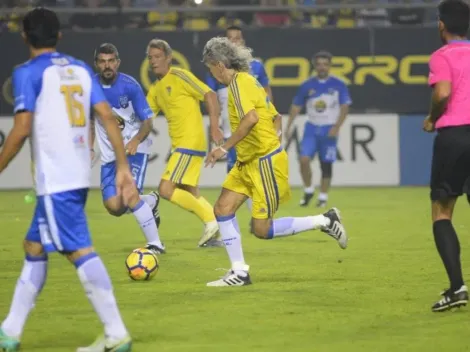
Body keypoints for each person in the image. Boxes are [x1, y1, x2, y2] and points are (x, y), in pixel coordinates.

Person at [0, 8, 132, 351]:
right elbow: (106, 116)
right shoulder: (79, 69)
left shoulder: (27, 73)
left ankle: (116, 333)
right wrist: (123, 167)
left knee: (78, 250)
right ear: (58, 36)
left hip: (55, 179)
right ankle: (10, 331)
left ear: (25, 37)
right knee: (33, 247)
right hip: (74, 173)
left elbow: (22, 128)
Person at [202, 37, 348, 287]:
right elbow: (275, 115)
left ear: (219, 64)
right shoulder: (247, 82)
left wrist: (224, 148)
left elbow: (251, 118)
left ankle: (325, 220)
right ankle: (239, 272)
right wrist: (272, 138)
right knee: (222, 209)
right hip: (248, 162)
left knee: (262, 229)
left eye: (210, 68)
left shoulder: (239, 84)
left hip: (263, 164)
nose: (212, 74)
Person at [145, 38, 223, 248]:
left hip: (189, 142)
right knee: (189, 192)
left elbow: (210, 94)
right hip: (180, 145)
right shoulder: (155, 89)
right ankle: (216, 232)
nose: (153, 61)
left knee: (165, 189)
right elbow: (145, 120)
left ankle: (211, 221)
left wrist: (214, 127)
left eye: (158, 57)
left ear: (169, 58)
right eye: (150, 57)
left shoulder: (179, 75)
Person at [92, 42, 165, 255]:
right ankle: (150, 201)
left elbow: (148, 122)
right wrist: (88, 147)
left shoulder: (130, 85)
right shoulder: (90, 88)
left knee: (129, 195)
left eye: (111, 61)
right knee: (115, 207)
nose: (107, 66)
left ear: (118, 62)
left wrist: (134, 141)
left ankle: (156, 244)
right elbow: (89, 119)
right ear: (97, 64)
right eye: (103, 61)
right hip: (109, 158)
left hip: (135, 150)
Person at [423, 0, 470, 312]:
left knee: (442, 212)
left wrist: (431, 118)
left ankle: (457, 288)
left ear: (442, 24)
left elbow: (442, 92)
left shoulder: (443, 55)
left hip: (454, 136)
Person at [205, 25, 272, 212]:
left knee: (249, 173)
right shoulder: (218, 71)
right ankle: (252, 215)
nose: (234, 41)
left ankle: (254, 215)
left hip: (254, 130)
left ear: (243, 41)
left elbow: (266, 95)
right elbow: (212, 97)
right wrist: (215, 126)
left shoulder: (255, 67)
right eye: (230, 38)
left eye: (237, 38)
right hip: (231, 130)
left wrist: (271, 121)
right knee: (236, 174)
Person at [285, 51, 351, 208]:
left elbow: (344, 107)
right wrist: (288, 126)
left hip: (329, 129)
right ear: (315, 66)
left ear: (329, 66)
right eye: (319, 64)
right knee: (304, 159)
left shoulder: (338, 85)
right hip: (312, 128)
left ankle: (322, 196)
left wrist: (336, 126)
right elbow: (296, 106)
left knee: (326, 164)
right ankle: (308, 189)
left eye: (325, 64)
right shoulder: (307, 85)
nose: (322, 67)